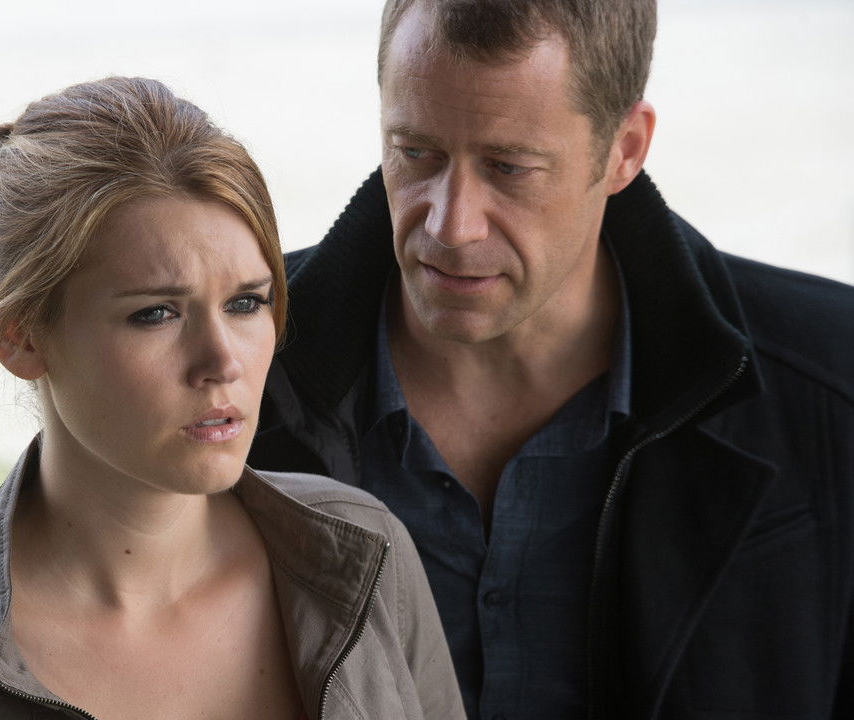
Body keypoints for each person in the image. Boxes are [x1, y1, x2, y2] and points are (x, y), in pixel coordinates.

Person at [0, 76, 464, 719]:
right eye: (155, 313)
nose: (223, 362)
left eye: (247, 302)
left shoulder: (365, 556)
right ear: (19, 337)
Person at [248, 1, 854, 718]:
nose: (451, 225)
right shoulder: (225, 370)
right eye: (415, 154)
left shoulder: (834, 382)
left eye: (509, 167)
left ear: (625, 148)